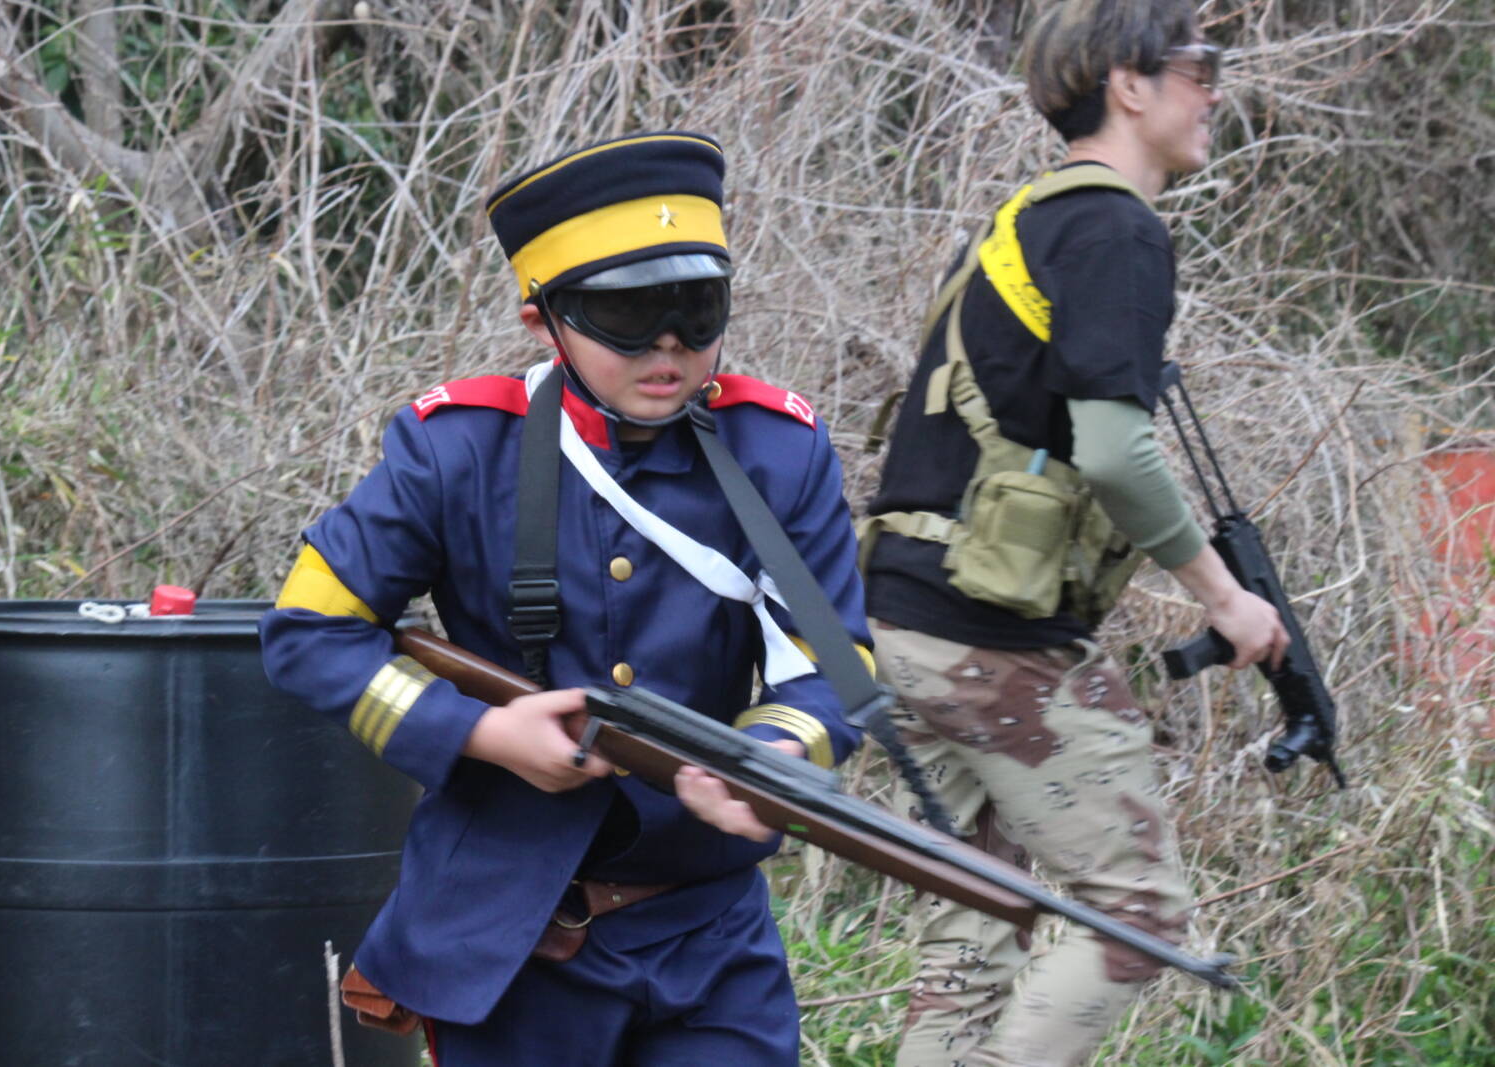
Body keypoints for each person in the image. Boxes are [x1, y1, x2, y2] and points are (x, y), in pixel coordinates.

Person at [259, 131, 873, 1065]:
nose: (669, 347)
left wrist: (772, 752)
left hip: (712, 935)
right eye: (627, 315)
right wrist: (480, 732)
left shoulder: (779, 448)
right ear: (543, 320)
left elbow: (833, 664)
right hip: (511, 936)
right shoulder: (455, 447)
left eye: (696, 310)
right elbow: (310, 632)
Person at [859, 4, 1290, 1065]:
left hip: (902, 621)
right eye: (1198, 66)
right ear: (1128, 86)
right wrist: (1224, 597)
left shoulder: (1030, 219)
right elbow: (1115, 453)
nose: (1215, 89)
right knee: (1139, 912)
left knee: (976, 917)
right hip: (987, 639)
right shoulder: (1114, 230)